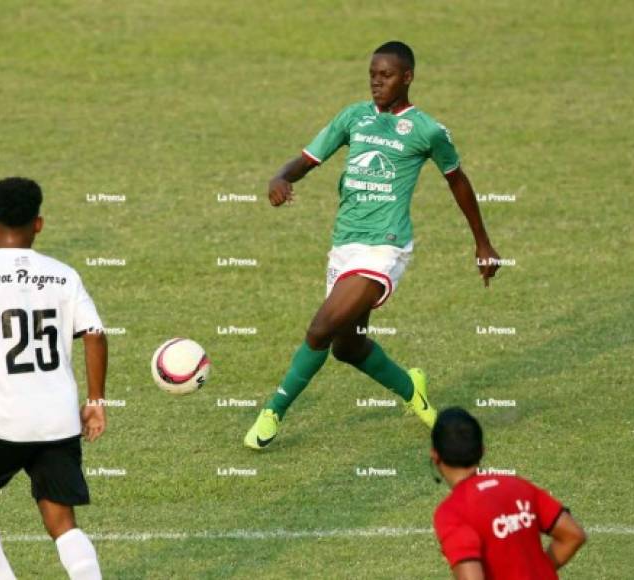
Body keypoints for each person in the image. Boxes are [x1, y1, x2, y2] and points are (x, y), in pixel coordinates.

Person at [244, 41, 500, 449]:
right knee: (348, 346)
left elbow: (457, 179)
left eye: (386, 76)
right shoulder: (354, 117)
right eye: (372, 75)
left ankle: (272, 411)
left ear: (407, 78)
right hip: (344, 245)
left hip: (386, 248)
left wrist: (482, 242)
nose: (376, 83)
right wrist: (281, 177)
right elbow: (307, 160)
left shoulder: (426, 130)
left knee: (321, 328)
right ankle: (410, 388)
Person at [0, 177, 108, 579]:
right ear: (39, 224)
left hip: (4, 422)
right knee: (61, 521)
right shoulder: (64, 276)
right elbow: (95, 335)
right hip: (59, 420)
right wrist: (96, 402)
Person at [431, 407, 587, 579]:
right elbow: (573, 535)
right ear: (482, 450)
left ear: (435, 455)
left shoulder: (453, 512)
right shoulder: (518, 485)